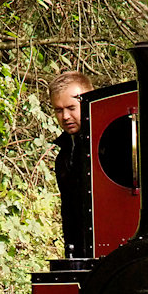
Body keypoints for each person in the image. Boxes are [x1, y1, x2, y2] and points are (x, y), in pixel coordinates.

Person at [49, 71, 93, 258]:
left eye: (71, 108)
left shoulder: (106, 146)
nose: (65, 116)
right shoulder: (64, 155)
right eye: (59, 110)